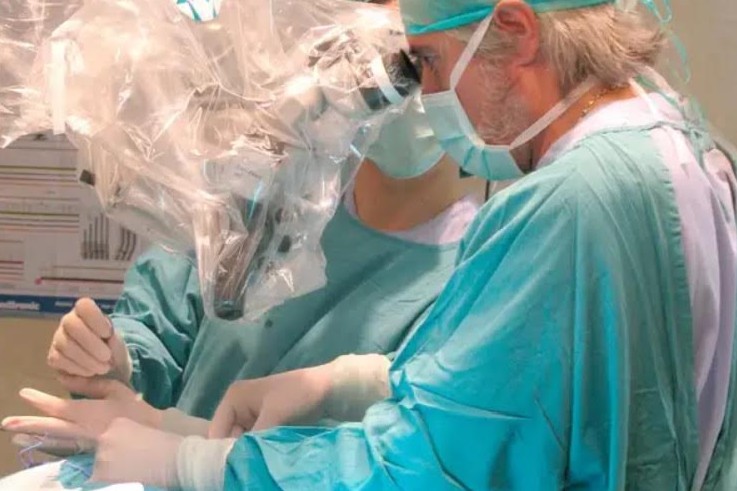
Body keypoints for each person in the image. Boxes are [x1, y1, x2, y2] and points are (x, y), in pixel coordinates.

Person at [7, 0, 737, 490]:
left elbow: (428, 465)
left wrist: (189, 461)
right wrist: (356, 381)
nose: (427, 93)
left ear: (514, 31)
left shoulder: (569, 204)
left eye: (428, 63)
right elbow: (533, 398)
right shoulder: (683, 150)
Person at [0, 90, 479, 454]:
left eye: (426, 63)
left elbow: (375, 462)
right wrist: (120, 359)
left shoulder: (481, 281)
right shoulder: (274, 203)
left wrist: (167, 435)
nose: (407, 93)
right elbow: (164, 312)